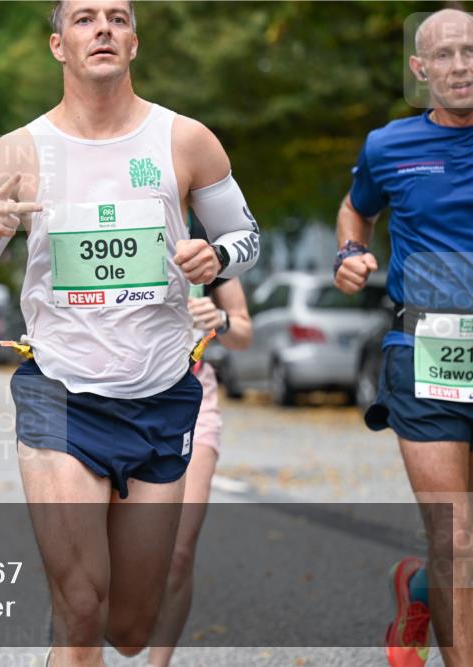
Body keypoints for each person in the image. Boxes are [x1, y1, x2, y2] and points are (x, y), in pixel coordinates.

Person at [0, 2, 260, 663]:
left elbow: (245, 235)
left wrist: (219, 257)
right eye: (85, 18)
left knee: (131, 626)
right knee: (83, 609)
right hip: (60, 395)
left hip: (161, 394)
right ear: (59, 45)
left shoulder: (186, 140)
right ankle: (67, 619)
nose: (104, 28)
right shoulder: (18, 152)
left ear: (135, 43)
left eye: (117, 17)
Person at [334, 10, 472, 667]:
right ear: (421, 71)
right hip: (426, 353)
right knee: (458, 538)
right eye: (443, 55)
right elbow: (357, 208)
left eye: (471, 51)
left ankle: (417, 588)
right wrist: (349, 252)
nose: (461, 65)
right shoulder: (389, 146)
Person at [146, 217, 252, 667]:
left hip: (192, 396)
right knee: (101, 547)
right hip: (115, 398)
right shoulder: (115, 211)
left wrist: (222, 318)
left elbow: (245, 332)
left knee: (179, 549)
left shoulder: (210, 244)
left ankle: (159, 663)